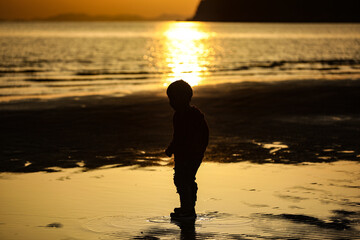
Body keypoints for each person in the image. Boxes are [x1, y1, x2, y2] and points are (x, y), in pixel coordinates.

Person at [165, 80, 209, 220]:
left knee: (184, 180)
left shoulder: (193, 116)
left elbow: (201, 134)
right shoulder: (178, 116)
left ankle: (188, 210)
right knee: (183, 180)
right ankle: (187, 207)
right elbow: (177, 136)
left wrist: (197, 150)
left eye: (173, 99)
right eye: (170, 99)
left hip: (191, 154)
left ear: (184, 98)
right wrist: (172, 148)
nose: (171, 103)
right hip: (183, 154)